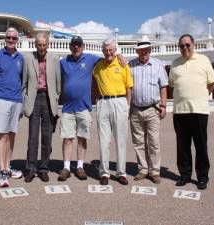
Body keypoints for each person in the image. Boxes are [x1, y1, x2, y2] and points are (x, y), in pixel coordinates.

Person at [169, 34, 214, 190]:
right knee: (182, 146)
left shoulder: (204, 60)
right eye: (181, 46)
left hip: (199, 111)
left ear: (193, 45)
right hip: (180, 111)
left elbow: (212, 83)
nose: (185, 48)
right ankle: (184, 175)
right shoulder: (175, 64)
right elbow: (173, 85)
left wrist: (201, 96)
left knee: (200, 145)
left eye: (187, 45)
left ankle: (202, 177)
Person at [58, 35, 101, 181]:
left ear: (83, 47)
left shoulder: (90, 59)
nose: (76, 47)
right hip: (68, 108)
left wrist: (119, 55)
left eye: (79, 45)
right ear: (70, 47)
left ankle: (80, 166)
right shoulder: (63, 62)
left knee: (82, 138)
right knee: (67, 139)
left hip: (84, 107)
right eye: (74, 45)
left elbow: (108, 58)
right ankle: (66, 167)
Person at [93, 39, 133, 185]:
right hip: (103, 102)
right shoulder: (98, 66)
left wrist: (127, 107)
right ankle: (104, 173)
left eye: (111, 50)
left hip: (120, 101)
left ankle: (121, 172)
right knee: (104, 140)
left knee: (121, 140)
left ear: (115, 50)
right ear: (103, 51)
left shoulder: (123, 64)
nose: (108, 52)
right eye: (106, 50)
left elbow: (129, 87)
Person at [0, 27, 24, 187]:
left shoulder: (20, 58)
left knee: (12, 135)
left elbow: (23, 81)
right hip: (1, 99)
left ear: (17, 40)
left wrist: (22, 101)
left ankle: (8, 167)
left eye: (13, 38)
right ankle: (2, 172)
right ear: (5, 38)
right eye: (8, 37)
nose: (10, 40)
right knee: (2, 136)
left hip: (16, 101)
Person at [129, 37, 169, 184]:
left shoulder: (158, 65)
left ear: (149, 50)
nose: (143, 52)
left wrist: (163, 106)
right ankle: (143, 169)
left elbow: (163, 87)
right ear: (137, 51)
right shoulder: (131, 65)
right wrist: (128, 108)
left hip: (153, 109)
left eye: (146, 49)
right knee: (138, 142)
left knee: (154, 142)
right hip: (135, 109)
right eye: (141, 50)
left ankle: (155, 171)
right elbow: (128, 88)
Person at [22, 32, 61, 183]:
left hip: (48, 99)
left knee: (47, 136)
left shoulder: (54, 59)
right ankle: (31, 168)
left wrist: (56, 97)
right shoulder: (28, 58)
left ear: (48, 45)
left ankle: (44, 168)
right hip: (34, 99)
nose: (41, 47)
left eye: (44, 45)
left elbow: (58, 84)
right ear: (35, 45)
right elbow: (24, 83)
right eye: (39, 45)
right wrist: (24, 100)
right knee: (32, 137)